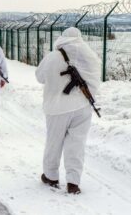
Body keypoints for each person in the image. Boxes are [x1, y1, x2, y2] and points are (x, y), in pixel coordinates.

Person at [35, 27, 100, 194]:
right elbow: (95, 79)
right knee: (76, 144)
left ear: (62, 38)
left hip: (58, 107)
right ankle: (73, 182)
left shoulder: (53, 56)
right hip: (83, 106)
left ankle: (51, 176)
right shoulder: (90, 55)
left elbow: (39, 77)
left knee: (54, 142)